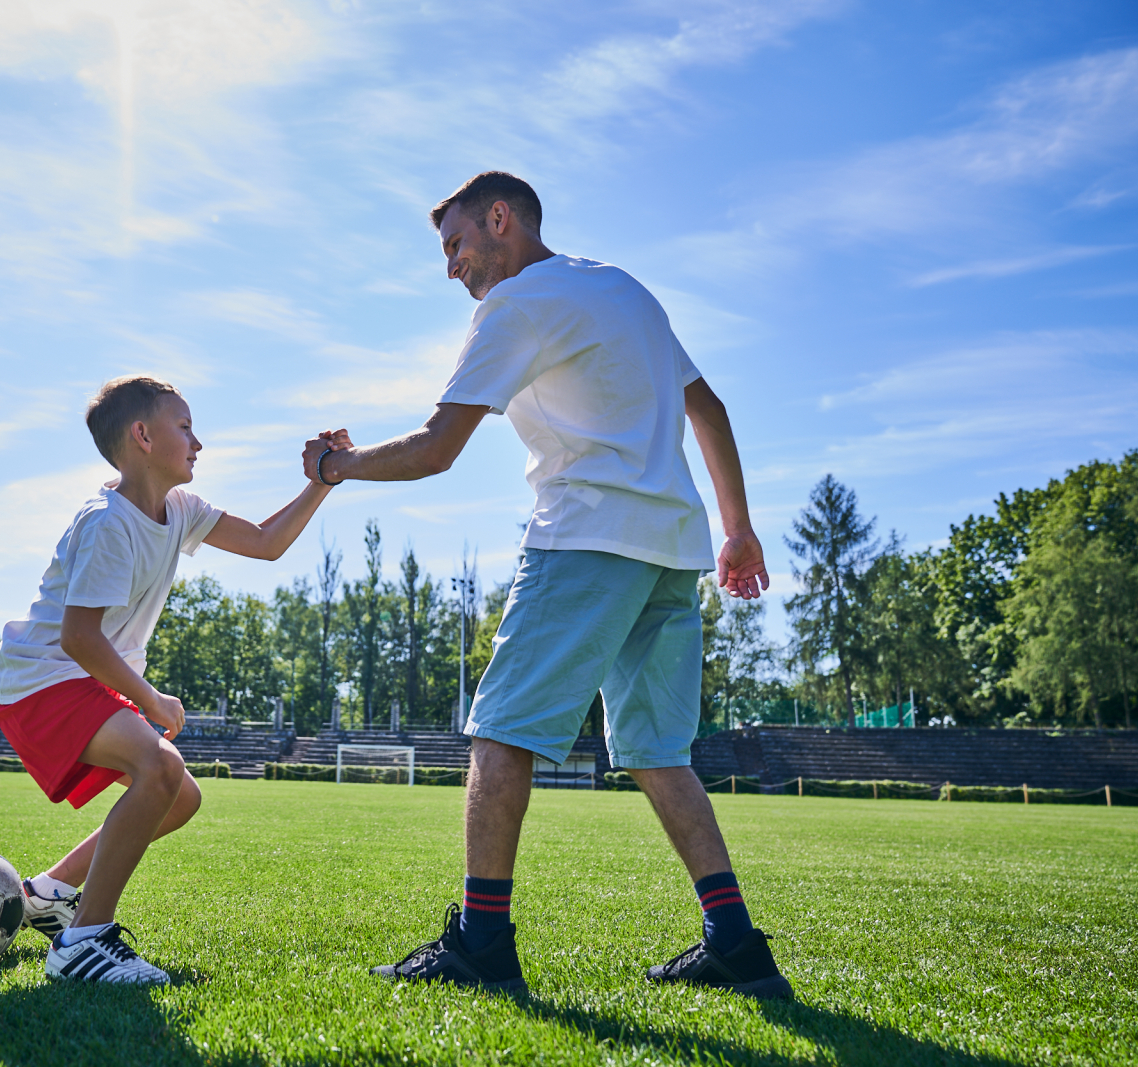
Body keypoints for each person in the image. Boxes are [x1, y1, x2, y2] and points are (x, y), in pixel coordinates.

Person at [306, 172, 791, 1000]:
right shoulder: (622, 288)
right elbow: (707, 409)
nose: (451, 265)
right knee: (657, 752)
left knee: (500, 731)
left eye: (456, 242)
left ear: (502, 219)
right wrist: (737, 528)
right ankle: (735, 943)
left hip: (585, 539)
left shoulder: (515, 302)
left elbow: (436, 447)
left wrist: (337, 466)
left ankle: (482, 942)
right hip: (671, 548)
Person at [0, 375, 343, 984]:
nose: (198, 441)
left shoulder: (178, 509)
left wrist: (322, 481)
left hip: (78, 676)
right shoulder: (107, 523)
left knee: (179, 797)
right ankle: (81, 944)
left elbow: (266, 542)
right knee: (162, 768)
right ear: (143, 436)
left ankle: (49, 893)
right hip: (42, 678)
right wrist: (148, 698)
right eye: (185, 427)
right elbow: (78, 637)